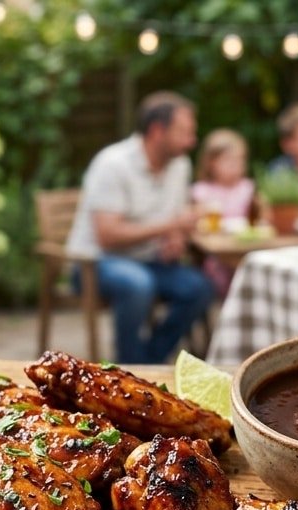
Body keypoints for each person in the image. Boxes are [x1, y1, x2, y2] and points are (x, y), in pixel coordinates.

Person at [65, 91, 212, 365]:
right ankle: (130, 363)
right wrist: (170, 226)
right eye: (184, 133)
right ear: (157, 131)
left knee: (199, 288)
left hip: (149, 260)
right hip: (96, 263)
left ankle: (148, 362)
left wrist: (176, 239)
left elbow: (175, 220)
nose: (192, 141)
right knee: (137, 284)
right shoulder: (113, 164)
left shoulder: (180, 165)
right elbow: (107, 235)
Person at [191, 128, 254, 297]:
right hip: (218, 255)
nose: (236, 165)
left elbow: (259, 218)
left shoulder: (247, 188)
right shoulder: (201, 191)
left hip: (246, 249)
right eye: (229, 160)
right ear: (211, 163)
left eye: (240, 160)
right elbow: (197, 225)